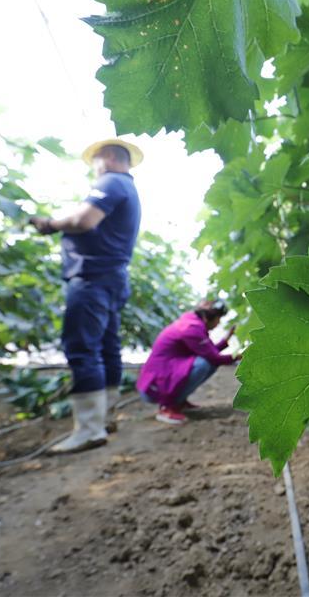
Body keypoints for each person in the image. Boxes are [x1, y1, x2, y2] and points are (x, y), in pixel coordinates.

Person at [29, 138, 143, 454]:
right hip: (111, 278)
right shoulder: (127, 187)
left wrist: (50, 224)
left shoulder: (111, 182)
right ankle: (104, 420)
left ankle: (90, 430)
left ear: (105, 157)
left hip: (92, 278)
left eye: (94, 162)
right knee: (107, 347)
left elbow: (83, 220)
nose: (94, 169)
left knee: (82, 348)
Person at [137, 300, 240, 425]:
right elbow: (214, 357)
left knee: (208, 363)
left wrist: (227, 338)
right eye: (219, 319)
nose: (218, 324)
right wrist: (241, 356)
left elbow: (209, 352)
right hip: (153, 388)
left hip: (159, 380)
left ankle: (179, 401)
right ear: (210, 317)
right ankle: (167, 408)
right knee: (204, 364)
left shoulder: (192, 323)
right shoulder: (192, 328)